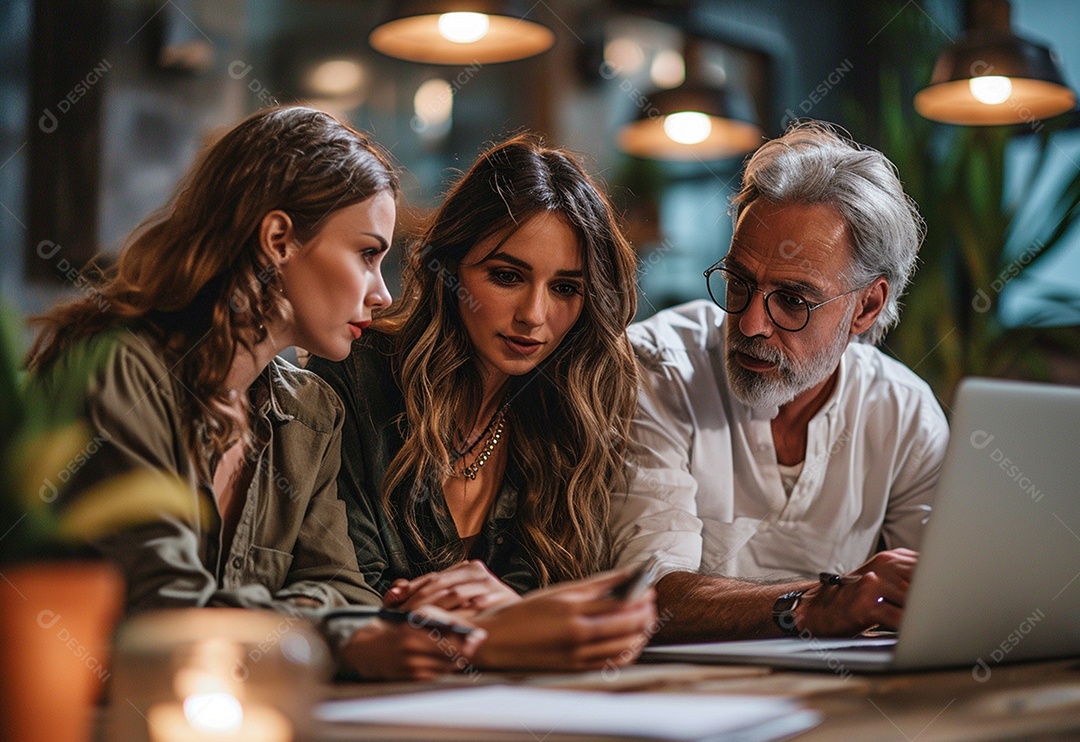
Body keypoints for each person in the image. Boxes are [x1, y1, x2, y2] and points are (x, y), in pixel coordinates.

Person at [26, 106, 653, 680]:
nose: (383, 294)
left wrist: (334, 624)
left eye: (567, 288)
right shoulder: (120, 368)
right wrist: (339, 634)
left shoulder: (304, 409)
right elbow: (163, 608)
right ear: (278, 241)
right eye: (366, 255)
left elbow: (343, 592)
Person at [610, 121, 949, 642]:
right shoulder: (659, 368)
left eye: (792, 300)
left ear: (867, 305)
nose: (748, 324)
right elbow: (646, 597)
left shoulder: (903, 413)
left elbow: (941, 598)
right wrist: (819, 604)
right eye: (739, 284)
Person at [308, 134, 648, 643]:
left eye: (565, 288)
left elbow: (557, 598)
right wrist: (509, 623)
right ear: (450, 270)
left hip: (513, 699)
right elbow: (346, 593)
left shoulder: (566, 412)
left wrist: (511, 615)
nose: (534, 316)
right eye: (507, 276)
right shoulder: (356, 376)